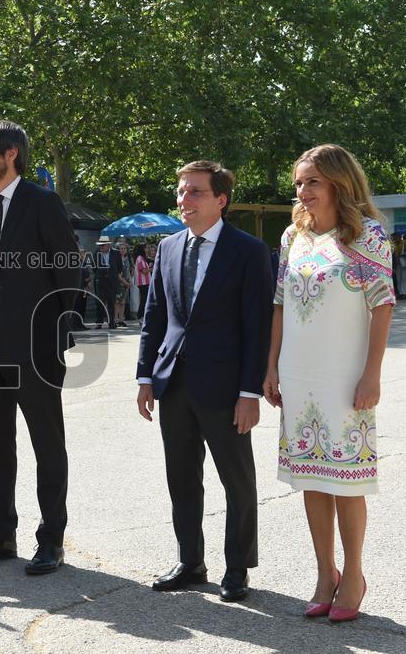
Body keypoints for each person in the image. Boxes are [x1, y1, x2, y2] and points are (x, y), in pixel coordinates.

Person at [263, 144, 395, 622]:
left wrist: (372, 374)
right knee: (311, 480)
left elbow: (383, 305)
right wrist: (272, 366)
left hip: (344, 375)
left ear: (339, 183)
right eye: (299, 183)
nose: (303, 191)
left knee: (346, 481)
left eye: (312, 182)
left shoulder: (367, 236)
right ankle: (325, 573)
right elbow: (279, 303)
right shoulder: (292, 236)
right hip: (298, 374)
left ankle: (354, 574)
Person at [136, 160, 273, 602]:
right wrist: (144, 376)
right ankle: (191, 561)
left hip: (227, 388)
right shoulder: (168, 247)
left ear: (221, 200)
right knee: (182, 478)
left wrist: (249, 392)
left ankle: (237, 568)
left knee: (237, 480)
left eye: (194, 191)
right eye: (180, 191)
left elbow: (258, 328)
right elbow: (154, 316)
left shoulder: (248, 251)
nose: (183, 200)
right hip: (172, 382)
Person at [0, 120, 79, 575]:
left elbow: (68, 271)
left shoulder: (44, 202)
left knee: (47, 445)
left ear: (11, 154)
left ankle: (51, 540)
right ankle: (0, 534)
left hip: (36, 346)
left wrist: (57, 336)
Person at [92, 236, 119, 329]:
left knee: (111, 302)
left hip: (112, 281)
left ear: (108, 245)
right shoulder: (96, 253)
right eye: (100, 245)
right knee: (100, 302)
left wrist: (112, 274)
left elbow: (119, 267)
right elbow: (93, 267)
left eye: (103, 245)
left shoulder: (115, 253)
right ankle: (99, 322)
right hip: (101, 281)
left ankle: (111, 322)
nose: (101, 247)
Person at [134, 243, 153, 323]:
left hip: (145, 282)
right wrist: (152, 268)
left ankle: (142, 315)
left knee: (144, 299)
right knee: (144, 300)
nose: (147, 250)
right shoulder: (140, 259)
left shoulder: (142, 258)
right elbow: (144, 271)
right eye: (146, 248)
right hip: (143, 282)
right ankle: (140, 315)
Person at [114, 242, 131, 327]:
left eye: (125, 248)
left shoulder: (127, 259)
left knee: (123, 302)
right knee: (117, 301)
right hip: (119, 282)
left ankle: (121, 319)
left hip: (126, 282)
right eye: (121, 248)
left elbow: (128, 272)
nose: (123, 250)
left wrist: (129, 282)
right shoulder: (117, 259)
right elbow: (117, 274)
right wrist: (125, 282)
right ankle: (115, 319)